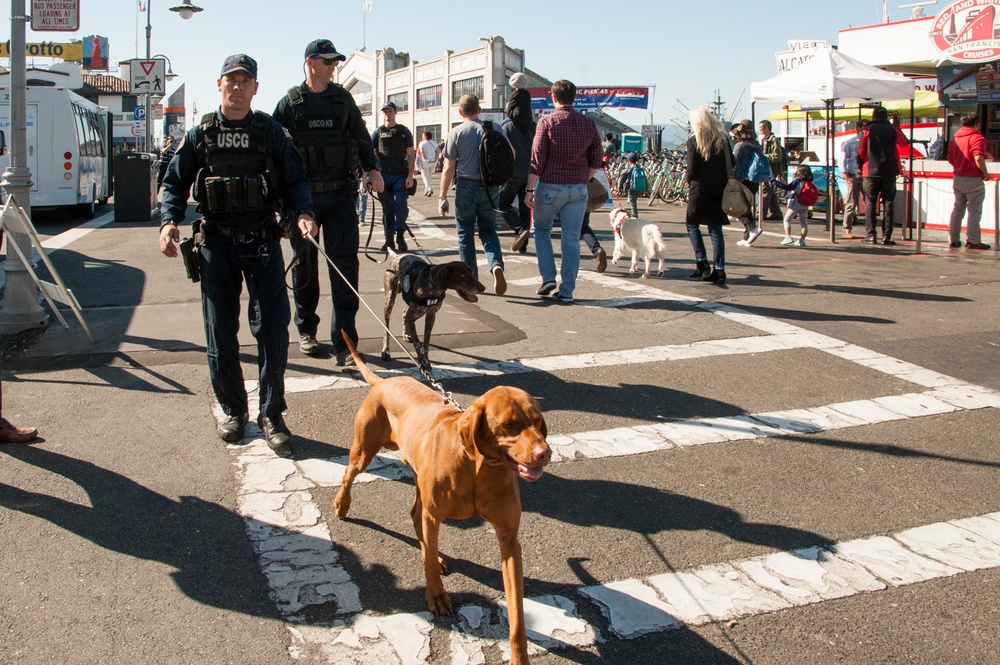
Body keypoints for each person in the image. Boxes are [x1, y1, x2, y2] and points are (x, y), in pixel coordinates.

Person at [159, 54, 316, 457]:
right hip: (216, 246)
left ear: (255, 88)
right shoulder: (201, 134)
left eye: (245, 80)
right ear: (219, 84)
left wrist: (303, 213)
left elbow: (297, 180)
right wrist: (168, 222)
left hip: (262, 244)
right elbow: (173, 184)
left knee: (273, 332)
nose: (238, 86)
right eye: (231, 79)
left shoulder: (270, 133)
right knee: (220, 334)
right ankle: (233, 410)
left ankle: (272, 414)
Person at [273, 39, 383, 362]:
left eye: (335, 62)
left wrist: (373, 169)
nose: (333, 67)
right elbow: (276, 153)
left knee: (345, 269)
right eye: (327, 62)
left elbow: (362, 137)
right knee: (305, 268)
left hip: (339, 197)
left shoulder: (342, 100)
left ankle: (345, 343)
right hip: (303, 201)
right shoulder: (290, 104)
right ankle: (307, 330)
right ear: (310, 63)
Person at [525, 79, 603, 303]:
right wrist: (584, 178)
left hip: (550, 186)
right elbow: (597, 158)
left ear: (554, 97)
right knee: (571, 238)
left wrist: (530, 189)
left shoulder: (547, 121)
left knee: (541, 230)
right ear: (574, 97)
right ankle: (567, 290)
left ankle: (548, 277)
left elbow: (537, 159)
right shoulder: (588, 123)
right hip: (578, 189)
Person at [438, 94, 508, 295]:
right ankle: (496, 267)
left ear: (460, 112)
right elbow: (509, 155)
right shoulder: (495, 128)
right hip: (489, 187)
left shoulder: (456, 132)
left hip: (465, 187)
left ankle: (470, 281)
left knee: (465, 234)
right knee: (488, 231)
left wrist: (442, 196)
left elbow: (448, 167)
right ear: (479, 109)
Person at [684, 106, 731, 287]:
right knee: (715, 229)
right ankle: (719, 267)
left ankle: (701, 260)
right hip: (719, 188)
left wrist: (687, 180)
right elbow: (731, 163)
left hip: (699, 189)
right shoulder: (723, 140)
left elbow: (691, 169)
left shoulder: (694, 141)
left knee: (692, 224)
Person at [859, 106, 908, 245]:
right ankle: (887, 235)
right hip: (890, 170)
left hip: (870, 170)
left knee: (870, 202)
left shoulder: (866, 130)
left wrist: (860, 166)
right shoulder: (893, 129)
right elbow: (904, 143)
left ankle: (871, 234)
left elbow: (861, 151)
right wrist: (897, 126)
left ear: (873, 116)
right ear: (887, 116)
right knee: (888, 203)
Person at [499, 73, 536, 253]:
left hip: (513, 172)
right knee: (524, 207)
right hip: (529, 173)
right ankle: (524, 244)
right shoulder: (533, 125)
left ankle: (520, 230)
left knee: (502, 203)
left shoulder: (507, 125)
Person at [372, 101, 415, 251]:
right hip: (383, 175)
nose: (387, 114)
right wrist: (371, 176)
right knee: (387, 209)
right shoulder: (377, 133)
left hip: (400, 175)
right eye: (384, 111)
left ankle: (400, 235)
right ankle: (388, 239)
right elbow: (372, 155)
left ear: (395, 112)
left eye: (390, 111)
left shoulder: (403, 131)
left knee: (401, 205)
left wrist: (410, 175)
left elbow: (411, 155)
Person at [947, 112, 992, 250]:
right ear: (977, 124)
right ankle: (973, 240)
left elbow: (950, 157)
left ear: (962, 124)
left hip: (958, 178)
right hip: (973, 178)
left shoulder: (955, 138)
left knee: (957, 209)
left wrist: (959, 166)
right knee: (974, 211)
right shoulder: (977, 137)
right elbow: (978, 158)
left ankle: (953, 239)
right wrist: (985, 173)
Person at [731, 124, 764, 246]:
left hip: (741, 179)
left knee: (737, 207)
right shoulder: (756, 146)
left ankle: (753, 229)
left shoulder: (740, 146)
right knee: (746, 207)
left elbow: (734, 163)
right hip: (754, 179)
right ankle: (746, 237)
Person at [772, 165, 815, 247]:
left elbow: (787, 187)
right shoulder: (809, 183)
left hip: (795, 204)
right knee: (804, 223)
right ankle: (802, 240)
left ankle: (788, 237)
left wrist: (776, 182)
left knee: (787, 219)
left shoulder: (797, 181)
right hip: (805, 205)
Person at [839, 119, 867, 238]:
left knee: (869, 202)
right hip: (853, 174)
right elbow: (842, 159)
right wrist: (845, 174)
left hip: (866, 174)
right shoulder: (850, 143)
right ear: (858, 128)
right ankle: (846, 229)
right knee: (851, 202)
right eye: (864, 128)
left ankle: (869, 230)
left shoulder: (869, 142)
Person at [758, 119, 785, 220]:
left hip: (771, 171)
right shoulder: (764, 140)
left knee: (765, 191)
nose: (759, 129)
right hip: (768, 170)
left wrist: (763, 156)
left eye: (761, 127)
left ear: (766, 127)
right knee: (770, 193)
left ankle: (761, 214)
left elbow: (777, 156)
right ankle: (776, 213)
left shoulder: (774, 140)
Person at [621, 152, 644, 219]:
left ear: (629, 160)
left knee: (632, 202)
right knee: (634, 200)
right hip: (639, 187)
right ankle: (634, 213)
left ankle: (634, 215)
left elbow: (622, 176)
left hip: (631, 187)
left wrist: (620, 186)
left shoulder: (630, 168)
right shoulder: (639, 168)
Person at [416, 131, 438, 197]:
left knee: (425, 176)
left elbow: (422, 151)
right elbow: (438, 151)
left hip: (425, 162)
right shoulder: (434, 143)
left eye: (423, 136)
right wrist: (436, 159)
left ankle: (429, 189)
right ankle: (426, 189)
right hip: (433, 162)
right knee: (429, 176)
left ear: (425, 136)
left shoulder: (422, 143)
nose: (422, 137)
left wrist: (426, 159)